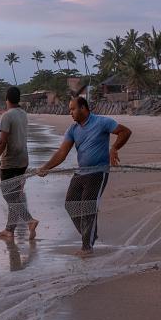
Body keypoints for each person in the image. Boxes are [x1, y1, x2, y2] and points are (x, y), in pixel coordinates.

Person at [38, 96, 132, 256]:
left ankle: (86, 247)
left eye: (73, 109)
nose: (71, 113)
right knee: (70, 204)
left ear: (83, 108)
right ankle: (89, 234)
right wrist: (46, 167)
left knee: (88, 207)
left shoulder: (102, 122)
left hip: (98, 172)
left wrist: (115, 147)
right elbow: (62, 153)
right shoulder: (72, 130)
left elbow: (125, 131)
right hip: (81, 172)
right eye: (69, 110)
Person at [0, 87, 39, 240]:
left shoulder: (7, 117)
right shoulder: (22, 114)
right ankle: (9, 230)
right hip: (23, 160)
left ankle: (30, 221)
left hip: (10, 161)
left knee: (9, 196)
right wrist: (1, 113)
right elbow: (11, 116)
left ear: (6, 99)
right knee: (15, 196)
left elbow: (2, 142)